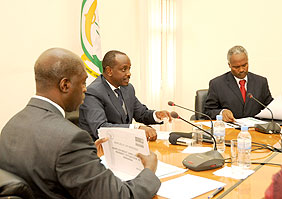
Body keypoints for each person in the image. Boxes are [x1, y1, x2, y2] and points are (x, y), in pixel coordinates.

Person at [0, 48, 161, 198]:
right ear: (65, 85)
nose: (85, 89)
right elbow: (120, 196)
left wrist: (86, 160)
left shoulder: (11, 125)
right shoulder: (71, 140)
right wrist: (149, 171)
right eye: (83, 82)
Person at [79, 50, 171, 141]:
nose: (129, 73)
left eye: (129, 69)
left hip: (123, 145)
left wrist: (157, 115)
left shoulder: (127, 88)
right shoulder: (93, 92)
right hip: (99, 150)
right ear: (109, 71)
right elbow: (101, 128)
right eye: (124, 69)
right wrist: (136, 128)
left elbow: (141, 113)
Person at [204, 45, 273, 122]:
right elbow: (208, 112)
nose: (241, 70)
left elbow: (270, 108)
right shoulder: (217, 84)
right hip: (230, 130)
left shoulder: (261, 82)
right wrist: (221, 113)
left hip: (256, 130)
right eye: (236, 67)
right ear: (229, 65)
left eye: (244, 65)